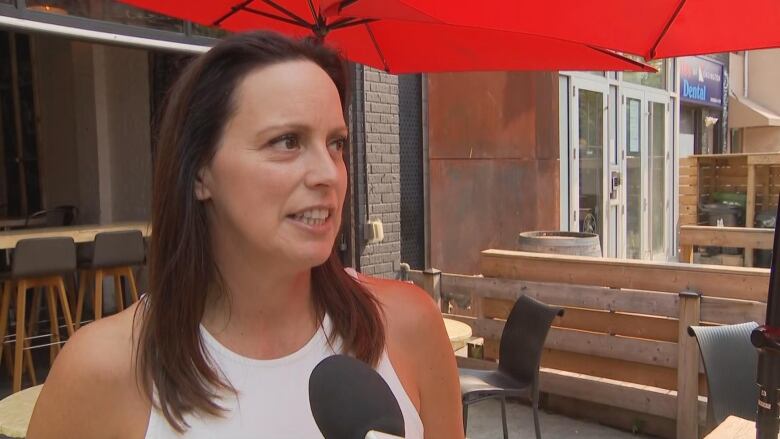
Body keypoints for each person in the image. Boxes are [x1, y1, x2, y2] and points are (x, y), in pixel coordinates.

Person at [27, 31, 463, 438]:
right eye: (287, 141)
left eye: (336, 143)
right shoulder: (103, 370)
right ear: (200, 172)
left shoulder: (408, 325)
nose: (328, 173)